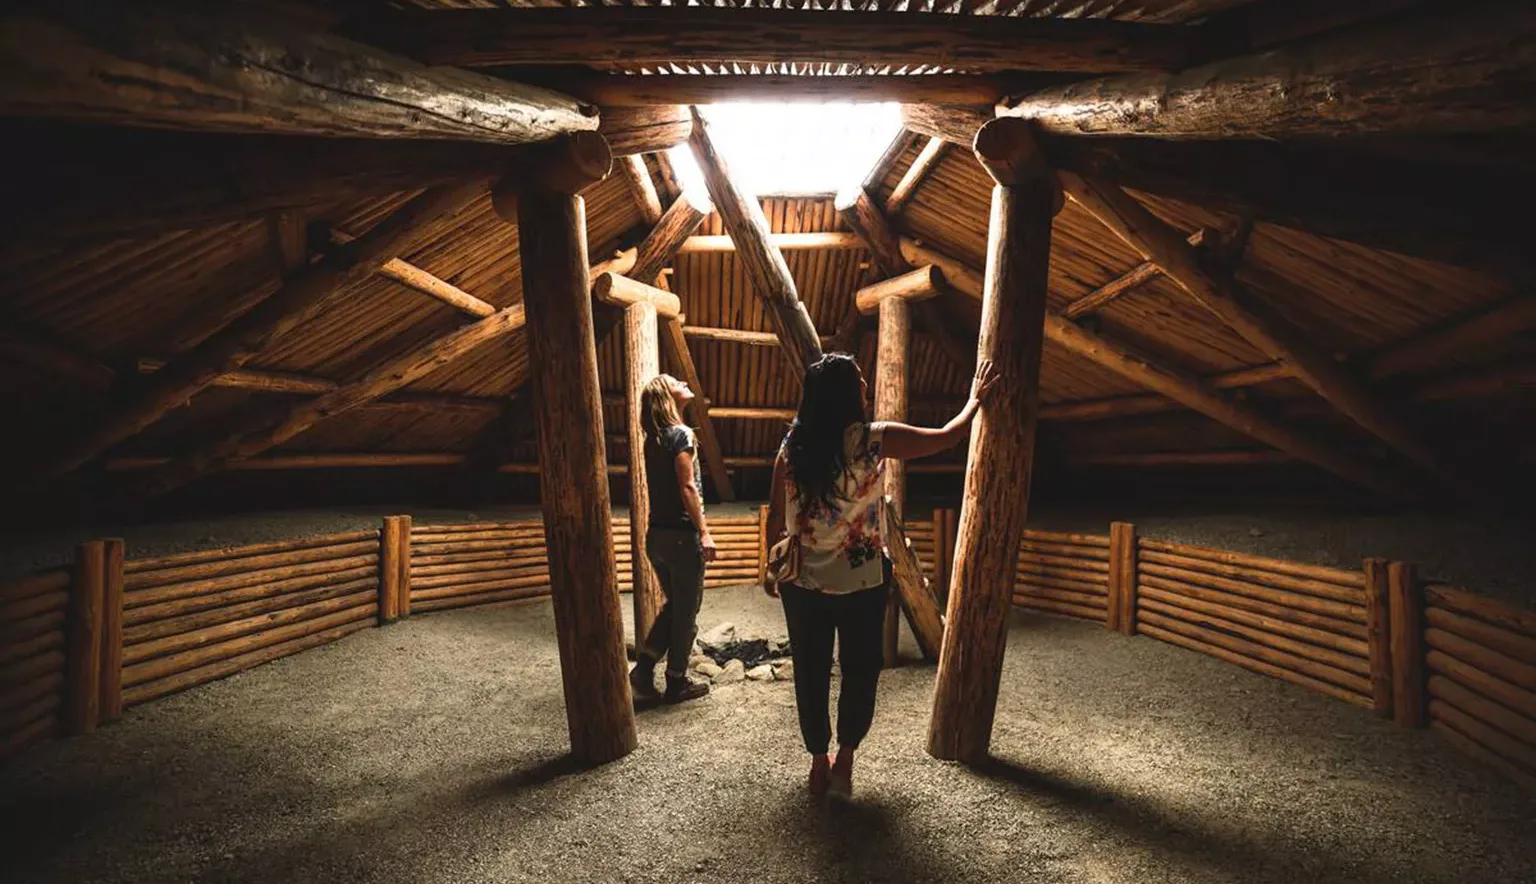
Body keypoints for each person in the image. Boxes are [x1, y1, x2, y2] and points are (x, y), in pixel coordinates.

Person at [765, 353, 999, 798]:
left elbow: (777, 512)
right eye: (859, 381)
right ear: (844, 393)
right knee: (860, 670)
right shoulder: (871, 439)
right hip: (862, 583)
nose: (866, 387)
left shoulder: (791, 445)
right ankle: (845, 762)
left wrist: (769, 566)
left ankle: (819, 761)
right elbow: (946, 438)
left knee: (810, 672)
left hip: (803, 584)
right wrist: (973, 400)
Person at [630, 373, 718, 704]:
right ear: (668, 396)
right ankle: (677, 680)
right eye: (675, 381)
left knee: (675, 608)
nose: (683, 381)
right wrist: (705, 532)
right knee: (686, 614)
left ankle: (644, 668)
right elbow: (687, 487)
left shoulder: (653, 439)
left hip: (657, 538)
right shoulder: (681, 435)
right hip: (682, 539)